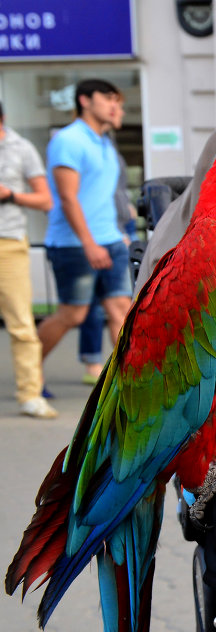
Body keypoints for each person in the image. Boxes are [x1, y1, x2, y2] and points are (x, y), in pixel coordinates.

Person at [37, 79, 132, 375]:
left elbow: (107, 194)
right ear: (85, 100)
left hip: (111, 240)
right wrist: (90, 243)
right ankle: (30, 371)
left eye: (118, 100)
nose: (115, 105)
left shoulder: (104, 142)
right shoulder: (69, 140)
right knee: (73, 314)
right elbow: (67, 197)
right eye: (107, 98)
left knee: (122, 311)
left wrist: (118, 235)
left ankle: (126, 386)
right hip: (74, 244)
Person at [0, 101, 58, 419]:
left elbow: (44, 198)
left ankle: (30, 394)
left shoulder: (21, 148)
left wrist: (9, 195)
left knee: (21, 323)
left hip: (8, 242)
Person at [77, 96, 137, 385]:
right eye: (112, 103)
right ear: (85, 101)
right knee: (81, 310)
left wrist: (125, 220)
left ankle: (122, 376)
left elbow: (116, 191)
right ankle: (92, 361)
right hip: (94, 236)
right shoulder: (75, 141)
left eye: (120, 106)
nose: (119, 111)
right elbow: (77, 197)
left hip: (116, 232)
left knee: (118, 306)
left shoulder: (106, 146)